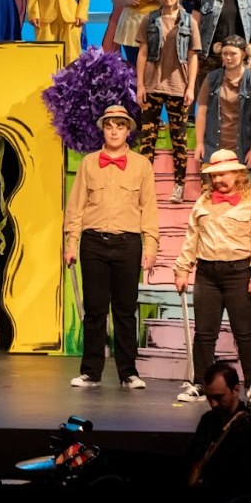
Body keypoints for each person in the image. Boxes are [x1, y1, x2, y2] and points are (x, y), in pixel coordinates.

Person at [63, 105, 159, 389]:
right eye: (109, 126)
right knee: (94, 310)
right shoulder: (89, 163)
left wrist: (150, 247)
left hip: (127, 243)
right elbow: (76, 207)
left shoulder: (141, 165)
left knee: (125, 310)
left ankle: (128, 372)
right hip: (93, 242)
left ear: (128, 130)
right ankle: (91, 372)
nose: (114, 131)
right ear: (103, 130)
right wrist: (71, 243)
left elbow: (149, 208)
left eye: (120, 126)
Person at [174, 149, 251, 405]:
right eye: (215, 175)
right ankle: (200, 384)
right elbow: (192, 239)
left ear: (238, 174)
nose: (219, 179)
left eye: (224, 174)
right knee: (204, 333)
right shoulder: (203, 203)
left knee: (245, 333)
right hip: (207, 273)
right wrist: (182, 269)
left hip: (239, 273)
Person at [135, 0, 200, 203]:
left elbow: (193, 56)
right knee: (147, 138)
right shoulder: (150, 19)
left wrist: (191, 87)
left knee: (179, 138)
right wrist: (140, 85)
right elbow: (142, 53)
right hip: (152, 85)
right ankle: (144, 188)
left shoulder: (189, 21)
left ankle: (179, 185)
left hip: (178, 86)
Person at [185, 362, 251, 489]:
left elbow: (248, 479)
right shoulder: (207, 419)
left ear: (236, 390)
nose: (213, 404)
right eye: (209, 398)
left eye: (218, 397)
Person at [194, 36, 251, 171]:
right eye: (225, 53)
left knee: (239, 184)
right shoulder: (212, 78)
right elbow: (201, 113)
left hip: (240, 151)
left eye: (233, 54)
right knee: (212, 184)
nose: (228, 58)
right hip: (214, 149)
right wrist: (199, 143)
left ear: (243, 54)